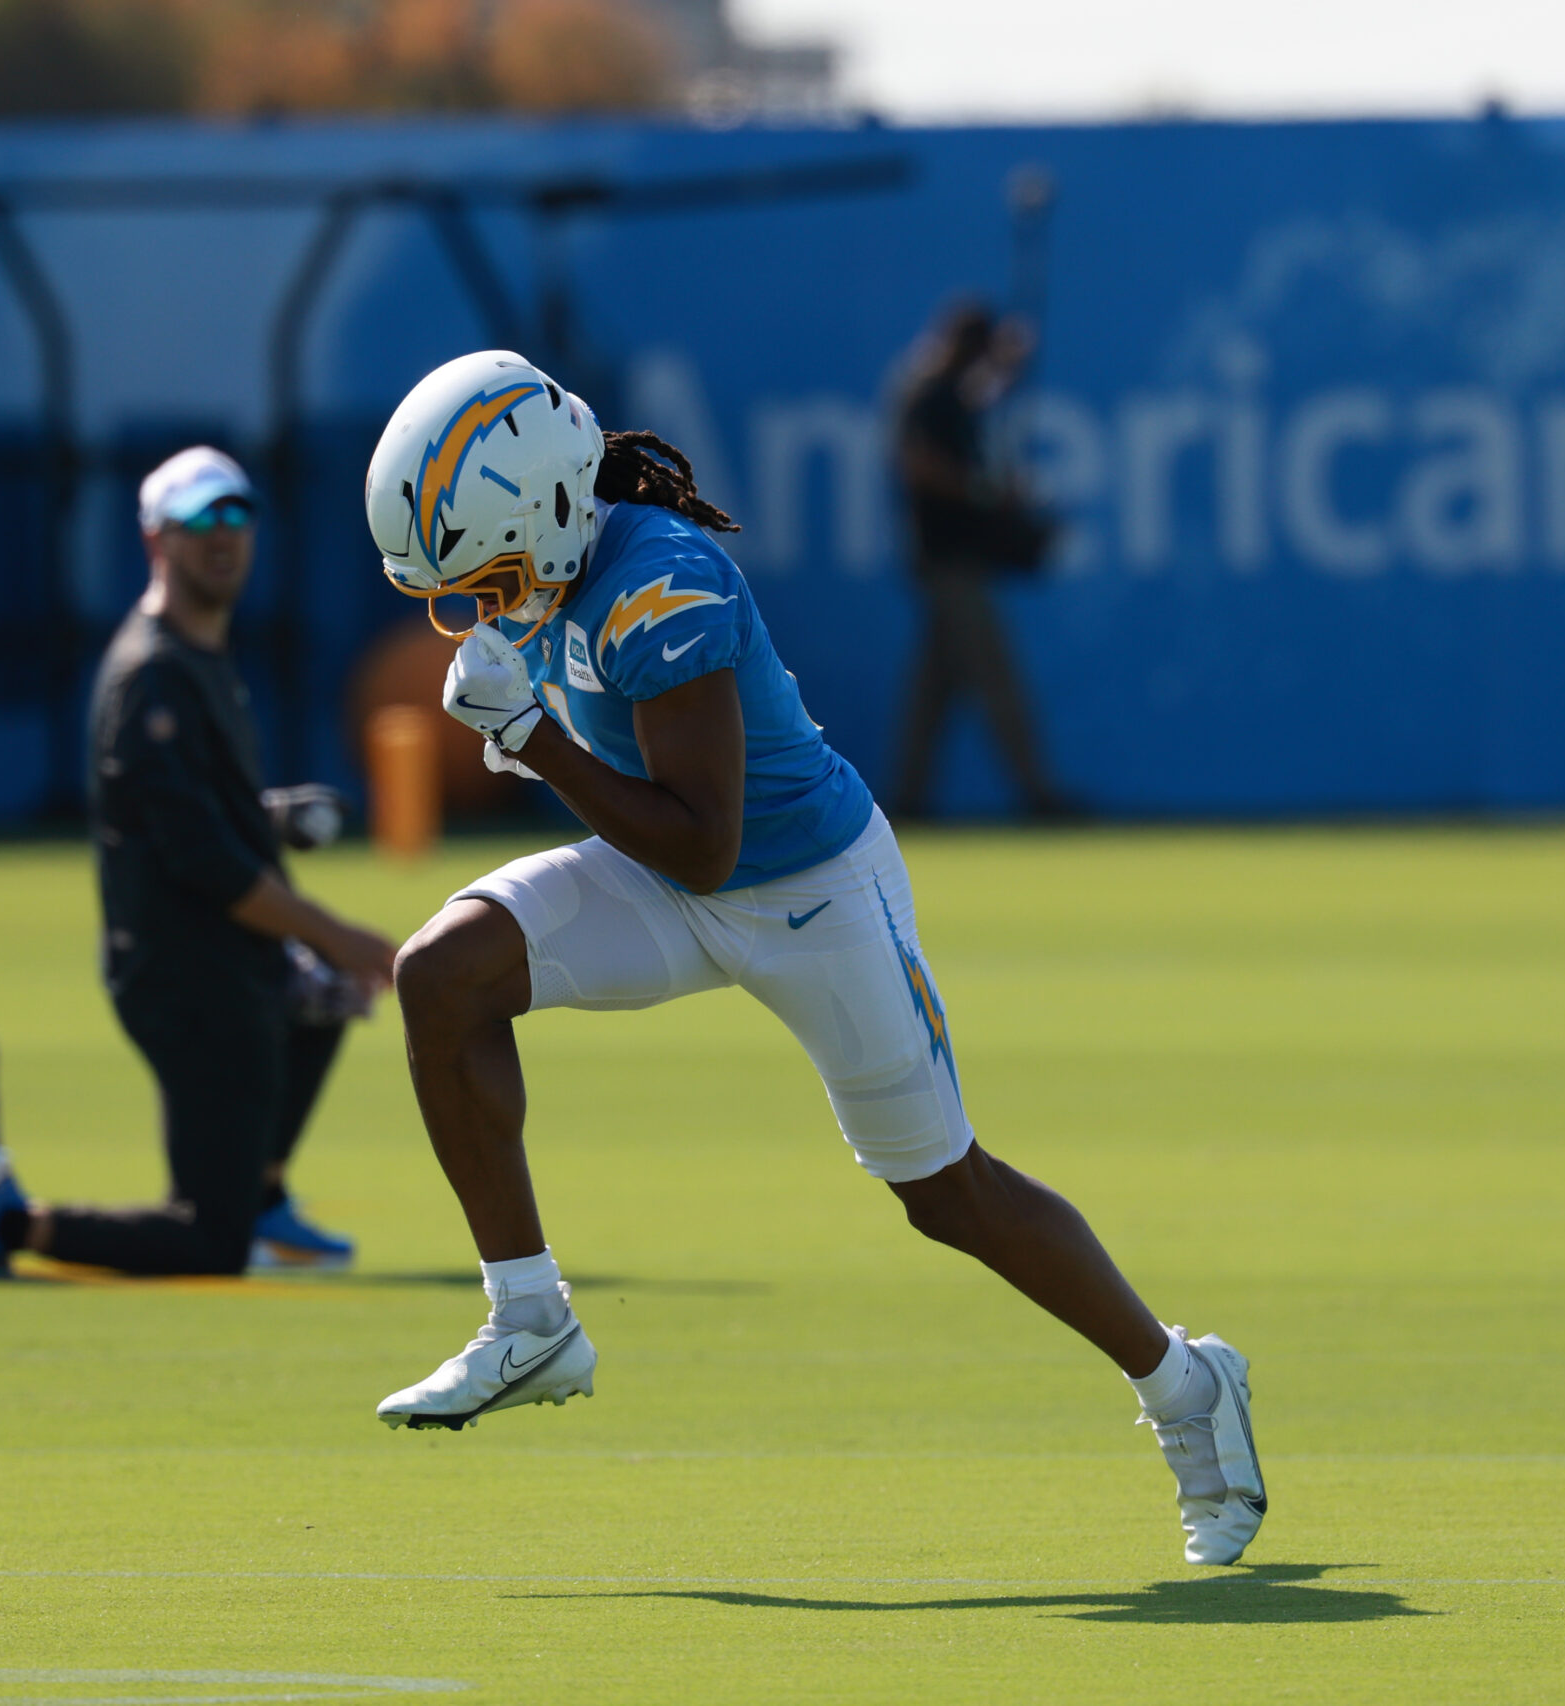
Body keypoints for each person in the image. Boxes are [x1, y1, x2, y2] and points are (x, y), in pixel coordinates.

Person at [355, 351, 1264, 1566]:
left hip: (803, 891)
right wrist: (541, 739)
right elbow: (664, 837)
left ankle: (1186, 1385)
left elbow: (708, 837)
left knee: (946, 1191)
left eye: (493, 575)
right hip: (669, 876)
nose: (479, 608)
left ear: (556, 507)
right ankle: (528, 1316)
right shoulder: (563, 563)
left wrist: (527, 736)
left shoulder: (662, 587)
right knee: (441, 972)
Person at [0, 448, 398, 1280]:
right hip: (186, 974)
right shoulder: (152, 675)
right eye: (198, 522)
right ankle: (5, 1223)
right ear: (155, 540)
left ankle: (261, 1199)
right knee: (205, 1246)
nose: (222, 537)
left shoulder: (201, 657)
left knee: (324, 999)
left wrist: (278, 819)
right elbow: (203, 861)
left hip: (227, 961)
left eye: (235, 516)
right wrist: (338, 933)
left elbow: (198, 812)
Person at [887, 302, 1073, 820]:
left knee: (933, 694)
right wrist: (987, 490)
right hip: (949, 563)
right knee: (997, 677)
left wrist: (1009, 366)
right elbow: (919, 465)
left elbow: (979, 397)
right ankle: (1039, 796)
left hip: (953, 560)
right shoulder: (928, 395)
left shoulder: (945, 394)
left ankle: (907, 800)